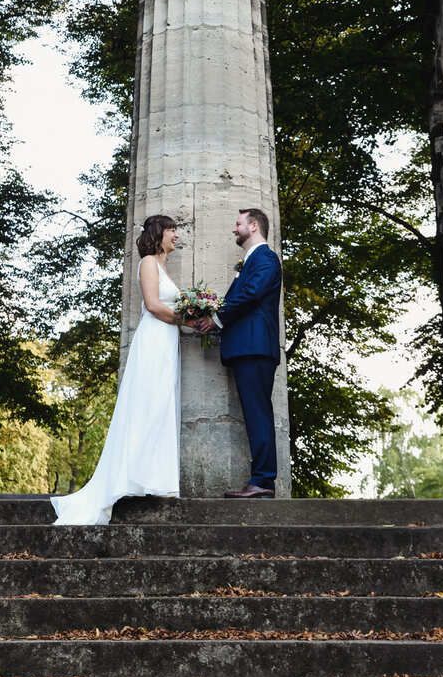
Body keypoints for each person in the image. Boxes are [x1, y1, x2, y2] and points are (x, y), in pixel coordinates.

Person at [51, 215, 183, 525]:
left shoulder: (163, 266)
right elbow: (152, 304)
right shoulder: (148, 263)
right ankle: (131, 478)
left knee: (162, 407)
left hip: (168, 343)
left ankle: (150, 478)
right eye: (172, 230)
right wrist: (189, 320)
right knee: (147, 406)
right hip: (153, 339)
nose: (176, 236)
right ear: (159, 233)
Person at [196, 208, 282, 498]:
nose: (234, 229)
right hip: (248, 347)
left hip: (255, 347)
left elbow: (251, 294)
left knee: (258, 413)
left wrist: (217, 319)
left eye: (238, 223)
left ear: (254, 226)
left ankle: (263, 481)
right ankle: (261, 480)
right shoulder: (250, 262)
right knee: (255, 413)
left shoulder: (266, 259)